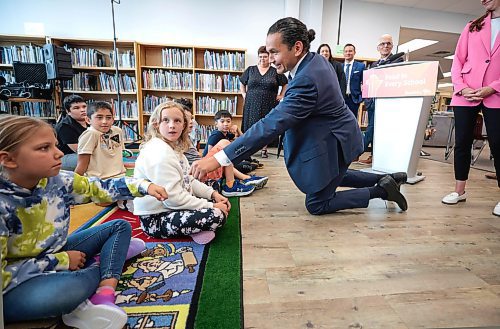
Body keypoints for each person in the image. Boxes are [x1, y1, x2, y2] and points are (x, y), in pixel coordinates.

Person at [190, 17, 408, 215]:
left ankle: (382, 191)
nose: (271, 59)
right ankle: (388, 179)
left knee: (317, 204)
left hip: (335, 141)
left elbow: (270, 125)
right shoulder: (315, 60)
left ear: (297, 47)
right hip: (334, 136)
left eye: (275, 52)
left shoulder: (306, 79)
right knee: (334, 176)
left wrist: (217, 160)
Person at [0, 115, 168, 328]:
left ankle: (106, 283)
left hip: (54, 252)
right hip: (14, 285)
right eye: (44, 148)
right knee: (71, 287)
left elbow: (97, 188)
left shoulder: (57, 179)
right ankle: (107, 261)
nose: (59, 153)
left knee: (119, 226)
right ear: (8, 159)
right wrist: (60, 261)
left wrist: (144, 186)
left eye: (55, 145)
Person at [133, 101, 230, 244]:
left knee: (213, 187)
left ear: (184, 125)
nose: (172, 125)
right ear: (156, 124)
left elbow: (188, 180)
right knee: (216, 215)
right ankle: (197, 229)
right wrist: (212, 205)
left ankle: (197, 228)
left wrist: (213, 195)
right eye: (165, 120)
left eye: (177, 121)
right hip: (156, 218)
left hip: (173, 205)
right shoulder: (159, 153)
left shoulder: (174, 148)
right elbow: (172, 199)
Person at [441, 0, 500, 217]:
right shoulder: (472, 26)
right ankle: (459, 191)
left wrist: (493, 88)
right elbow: (458, 60)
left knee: (498, 143)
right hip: (466, 93)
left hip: (496, 94)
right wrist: (461, 87)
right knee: (462, 142)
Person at [181, 101, 268, 191]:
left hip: (202, 168)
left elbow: (242, 141)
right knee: (226, 147)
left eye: (191, 118)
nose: (191, 122)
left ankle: (244, 178)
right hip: (200, 172)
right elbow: (210, 154)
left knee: (231, 155)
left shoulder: (187, 137)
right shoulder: (215, 135)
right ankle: (234, 183)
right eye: (187, 120)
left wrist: (237, 129)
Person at [358, 34, 404, 165]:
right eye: (383, 44)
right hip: (373, 103)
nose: (386, 46)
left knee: (373, 129)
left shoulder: (398, 61)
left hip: (387, 104)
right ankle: (373, 156)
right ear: (378, 47)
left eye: (388, 43)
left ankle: (357, 152)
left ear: (392, 46)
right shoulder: (373, 64)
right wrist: (367, 101)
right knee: (373, 129)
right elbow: (368, 83)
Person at [239, 45, 288, 158]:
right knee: (251, 125)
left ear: (269, 57)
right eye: (260, 56)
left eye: (265, 57)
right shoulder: (251, 70)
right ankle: (249, 149)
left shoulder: (275, 71)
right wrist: (244, 94)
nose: (262, 59)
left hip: (269, 103)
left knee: (266, 125)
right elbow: (242, 82)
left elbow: (286, 83)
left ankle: (264, 149)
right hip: (252, 103)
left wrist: (281, 95)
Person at [55, 95, 89, 171]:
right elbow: (79, 150)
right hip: (64, 157)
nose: (82, 110)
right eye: (76, 108)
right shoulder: (64, 126)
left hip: (86, 152)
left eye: (84, 106)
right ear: (68, 112)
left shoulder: (91, 121)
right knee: (91, 159)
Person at [342, 43, 366, 119]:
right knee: (340, 120)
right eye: (346, 51)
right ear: (343, 53)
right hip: (341, 99)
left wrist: (361, 97)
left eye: (350, 51)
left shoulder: (360, 66)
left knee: (352, 120)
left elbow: (365, 83)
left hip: (354, 99)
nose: (348, 53)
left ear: (354, 52)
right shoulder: (339, 66)